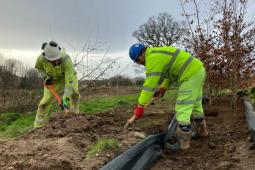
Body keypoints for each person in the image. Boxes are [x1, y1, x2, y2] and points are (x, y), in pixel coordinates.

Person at [127, 43, 209, 150]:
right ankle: (202, 132)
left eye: (138, 60)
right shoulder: (157, 54)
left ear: (142, 53)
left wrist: (140, 106)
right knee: (196, 104)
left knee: (183, 107)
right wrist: (163, 88)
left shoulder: (152, 58)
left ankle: (183, 144)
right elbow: (170, 74)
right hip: (198, 71)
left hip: (190, 74)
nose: (140, 63)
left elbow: (149, 85)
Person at [34, 41, 80, 128]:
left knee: (74, 94)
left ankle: (74, 117)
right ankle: (39, 126)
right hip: (53, 81)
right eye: (53, 61)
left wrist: (65, 98)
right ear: (46, 58)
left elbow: (69, 80)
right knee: (45, 103)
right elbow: (39, 70)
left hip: (68, 77)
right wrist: (46, 78)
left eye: (57, 59)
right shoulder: (40, 59)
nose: (56, 62)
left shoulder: (66, 59)